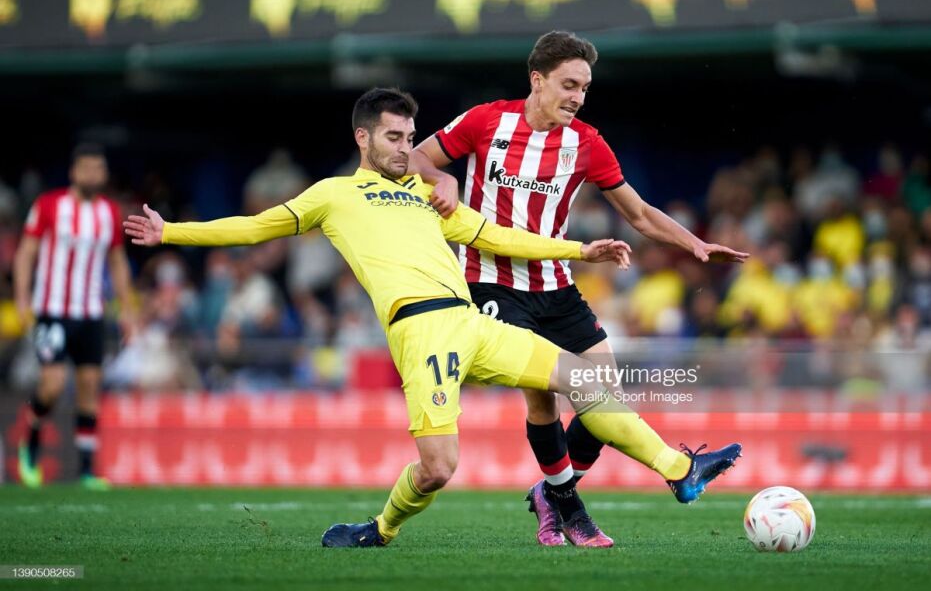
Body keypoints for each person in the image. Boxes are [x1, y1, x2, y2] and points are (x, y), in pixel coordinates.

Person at [124, 88, 741, 549]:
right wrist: (170, 232)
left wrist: (580, 250)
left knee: (584, 380)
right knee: (440, 468)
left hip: (470, 320)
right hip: (421, 333)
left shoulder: (428, 195)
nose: (406, 149)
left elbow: (497, 236)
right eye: (394, 138)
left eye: (410, 136)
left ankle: (680, 472)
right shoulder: (332, 195)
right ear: (363, 138)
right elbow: (254, 227)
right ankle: (381, 529)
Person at [410, 30, 749, 546]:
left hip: (556, 286)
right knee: (544, 398)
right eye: (569, 85)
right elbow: (417, 157)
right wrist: (444, 179)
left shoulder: (586, 143)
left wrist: (695, 244)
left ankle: (553, 493)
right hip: (492, 283)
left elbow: (638, 213)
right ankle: (575, 508)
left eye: (585, 88)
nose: (578, 97)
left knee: (605, 396)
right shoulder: (486, 121)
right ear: (537, 79)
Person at [14, 143, 135, 490]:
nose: (93, 175)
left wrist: (127, 309)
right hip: (52, 311)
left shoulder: (109, 212)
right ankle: (31, 439)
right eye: (87, 168)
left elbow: (117, 261)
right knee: (53, 385)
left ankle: (86, 470)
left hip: (91, 312)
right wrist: (22, 298)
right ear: (73, 172)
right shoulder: (49, 205)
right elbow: (26, 253)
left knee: (89, 387)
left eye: (99, 168)